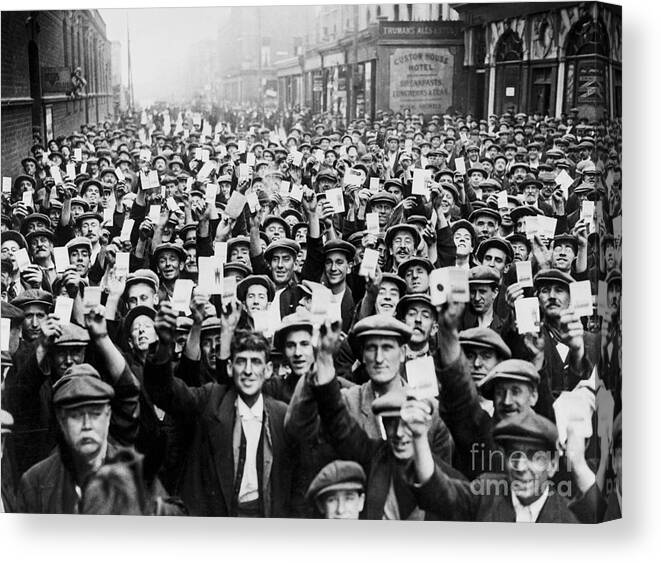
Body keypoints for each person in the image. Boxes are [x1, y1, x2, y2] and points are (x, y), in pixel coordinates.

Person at [144, 302, 295, 517]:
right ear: (230, 367)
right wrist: (164, 346)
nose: (249, 371)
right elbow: (167, 392)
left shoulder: (281, 414)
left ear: (269, 370)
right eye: (241, 362)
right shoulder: (211, 398)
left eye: (256, 362)